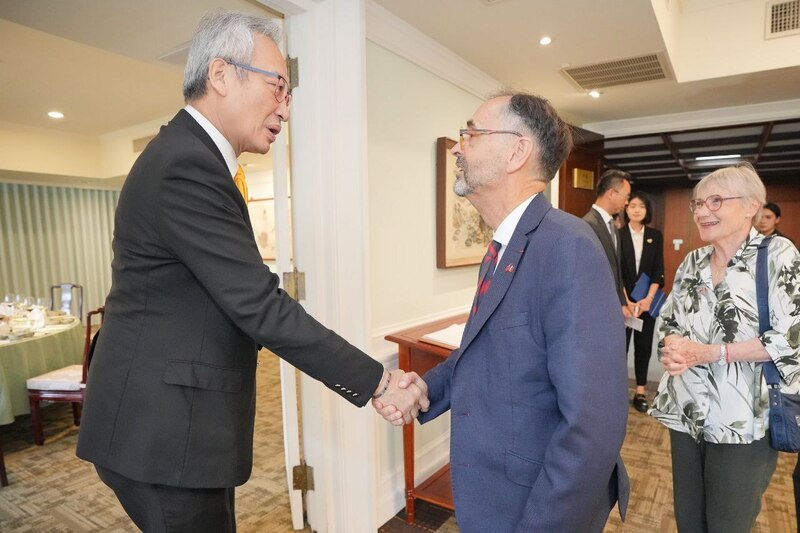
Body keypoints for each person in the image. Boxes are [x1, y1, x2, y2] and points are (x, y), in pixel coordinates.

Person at [75, 11, 427, 532]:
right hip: (163, 435)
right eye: (278, 86)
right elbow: (259, 304)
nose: (286, 105)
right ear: (221, 74)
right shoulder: (185, 165)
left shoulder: (195, 158)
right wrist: (378, 381)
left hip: (177, 425)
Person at [379, 92, 630, 532]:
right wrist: (422, 388)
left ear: (516, 151)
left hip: (536, 507)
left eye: (471, 133)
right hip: (494, 497)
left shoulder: (567, 248)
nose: (458, 147)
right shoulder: (503, 248)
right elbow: (486, 350)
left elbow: (592, 426)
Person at [649, 163, 800, 532]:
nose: (702, 211)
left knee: (727, 523)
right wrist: (671, 346)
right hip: (686, 411)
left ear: (751, 206)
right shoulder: (692, 261)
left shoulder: (778, 254)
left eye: (715, 201)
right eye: (697, 203)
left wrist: (709, 353)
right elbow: (668, 320)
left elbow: (790, 338)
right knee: (689, 520)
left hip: (743, 419)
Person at [620, 191, 664, 412]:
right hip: (624, 305)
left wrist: (648, 299)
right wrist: (626, 301)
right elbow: (616, 272)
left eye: (641, 206)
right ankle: (617, 390)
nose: (636, 209)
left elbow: (658, 270)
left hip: (646, 305)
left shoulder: (655, 236)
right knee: (620, 348)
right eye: (633, 205)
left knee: (643, 348)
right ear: (626, 209)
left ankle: (640, 391)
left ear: (647, 211)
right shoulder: (618, 235)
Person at [583, 169, 632, 318]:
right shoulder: (588, 224)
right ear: (611, 193)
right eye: (626, 196)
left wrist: (623, 302)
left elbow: (616, 270)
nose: (627, 202)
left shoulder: (612, 225)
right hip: (597, 308)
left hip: (612, 306)